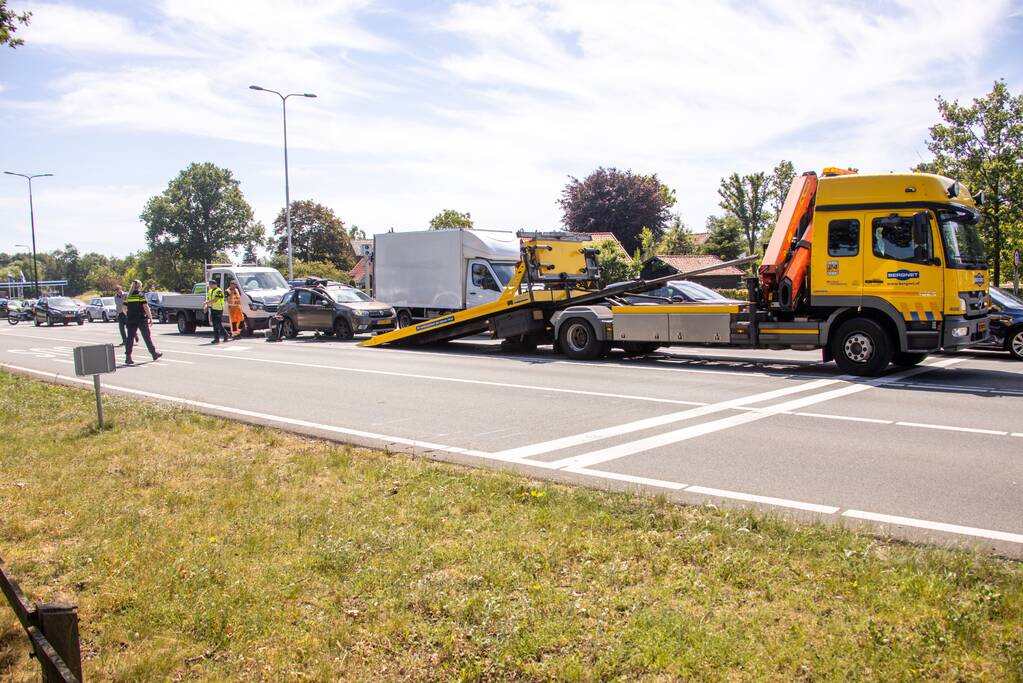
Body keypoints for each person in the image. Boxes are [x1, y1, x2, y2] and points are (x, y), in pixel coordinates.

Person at [123, 279, 162, 365]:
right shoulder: (140, 295)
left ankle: (128, 357)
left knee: (130, 338)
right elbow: (145, 306)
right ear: (139, 286)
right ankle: (154, 354)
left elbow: (124, 308)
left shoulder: (128, 296)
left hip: (131, 319)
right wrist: (150, 317)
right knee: (147, 337)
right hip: (141, 318)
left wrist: (128, 315)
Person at [204, 278, 226, 344]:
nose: (210, 286)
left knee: (218, 324)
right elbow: (208, 299)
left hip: (219, 309)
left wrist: (207, 303)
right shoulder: (210, 291)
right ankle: (216, 339)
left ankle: (226, 335)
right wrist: (206, 306)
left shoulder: (219, 291)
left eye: (211, 284)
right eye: (209, 284)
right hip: (213, 309)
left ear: (214, 284)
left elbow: (215, 300)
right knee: (214, 324)